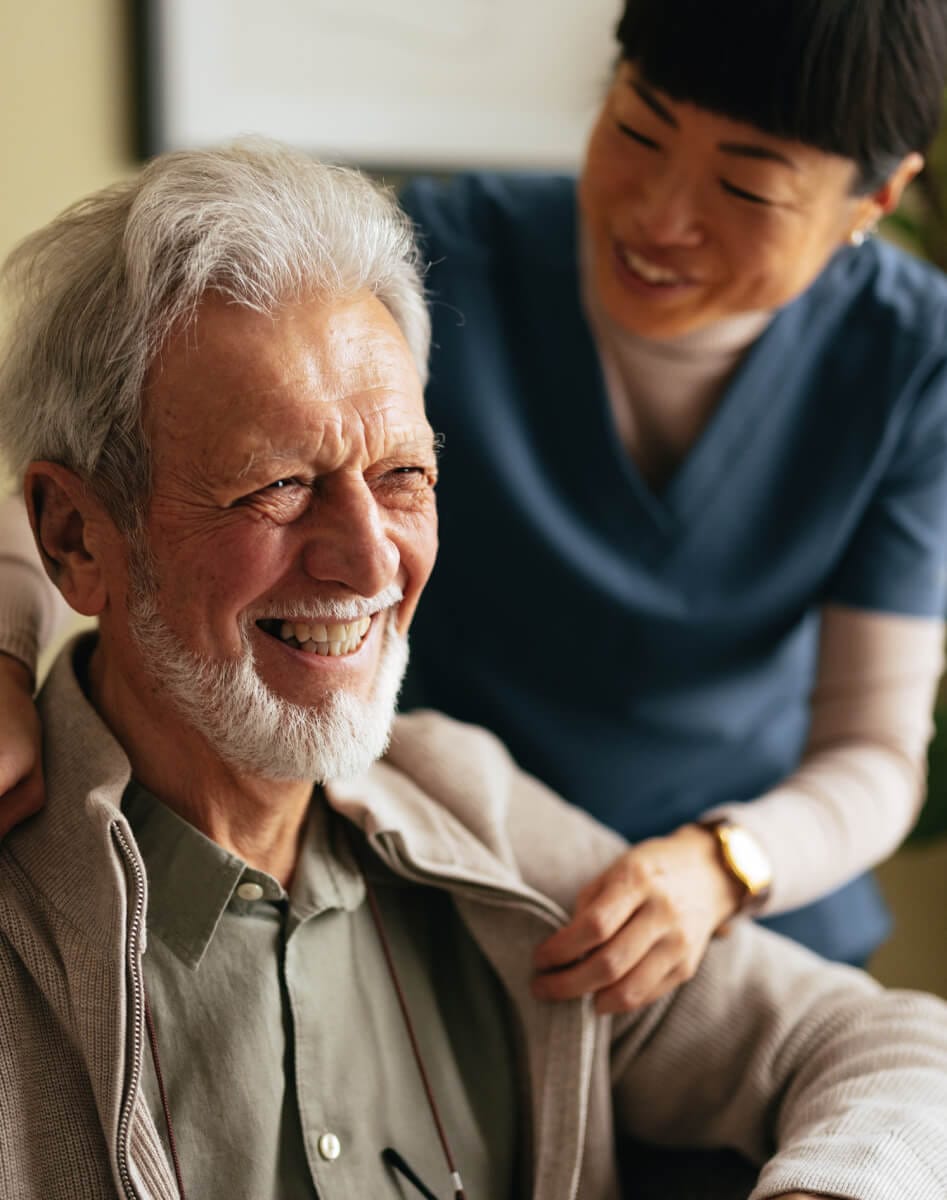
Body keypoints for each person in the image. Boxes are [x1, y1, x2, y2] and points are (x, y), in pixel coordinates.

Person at [2, 141, 947, 1200]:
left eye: (403, 475)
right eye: (275, 487)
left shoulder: (472, 814)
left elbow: (894, 1049)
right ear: (78, 541)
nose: (369, 560)